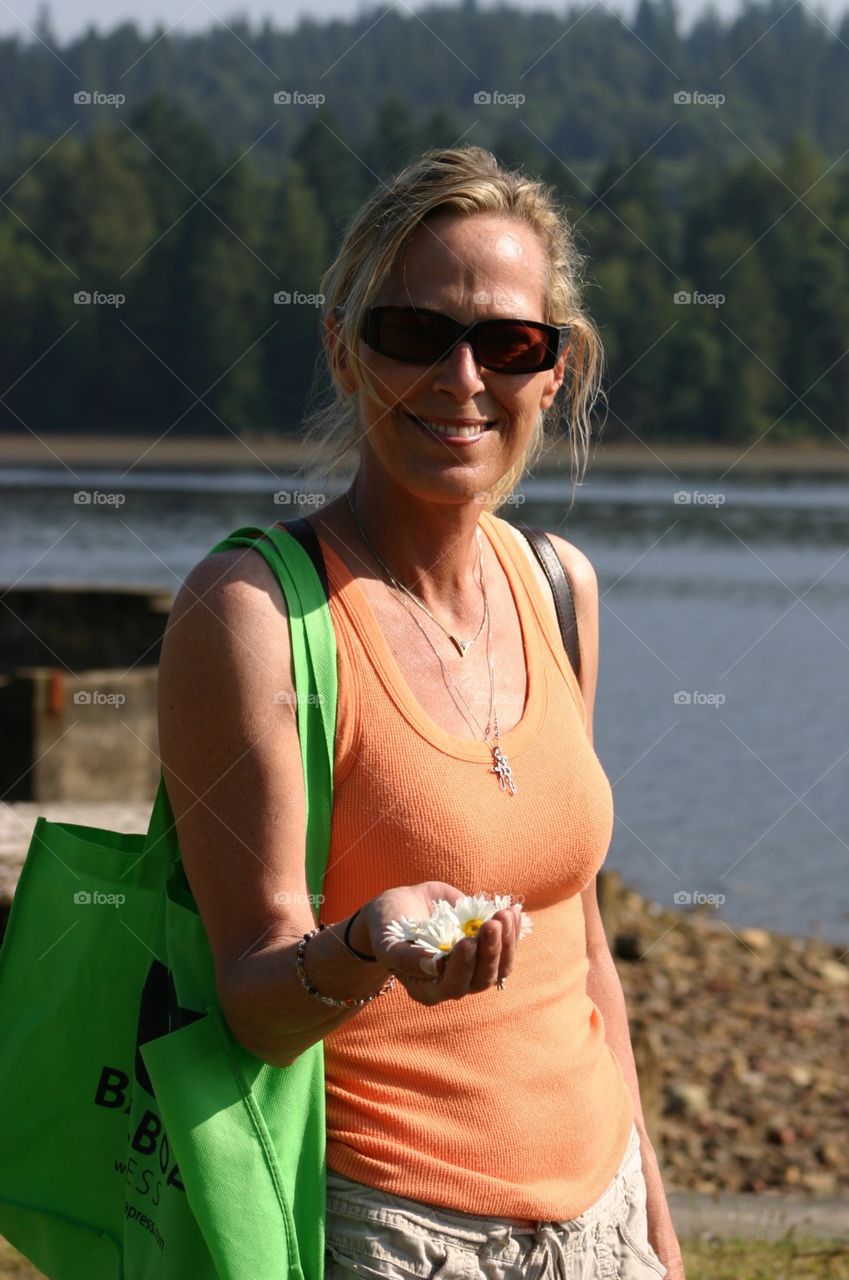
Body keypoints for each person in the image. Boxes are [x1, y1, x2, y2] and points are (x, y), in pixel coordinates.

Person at [157, 145, 685, 1280]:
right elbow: (250, 994)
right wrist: (364, 944)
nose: (461, 379)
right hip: (388, 1228)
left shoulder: (559, 585)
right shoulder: (252, 612)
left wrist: (654, 1221)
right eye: (413, 335)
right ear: (345, 351)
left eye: (507, 343)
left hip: (602, 1215)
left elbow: (586, 948)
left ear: (555, 370)